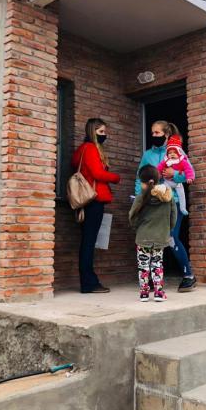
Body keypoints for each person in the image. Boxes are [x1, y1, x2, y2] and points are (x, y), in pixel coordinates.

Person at [134, 121, 197, 292]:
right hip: (154, 203)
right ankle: (154, 278)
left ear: (166, 134)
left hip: (174, 201)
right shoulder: (147, 155)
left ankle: (188, 275)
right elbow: (141, 177)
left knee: (171, 237)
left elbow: (190, 174)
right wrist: (139, 199)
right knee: (156, 239)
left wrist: (174, 174)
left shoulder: (177, 152)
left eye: (157, 133)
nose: (154, 136)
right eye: (152, 133)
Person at [71, 118, 120, 294]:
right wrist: (115, 177)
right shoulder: (90, 148)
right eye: (101, 132)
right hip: (93, 200)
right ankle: (89, 283)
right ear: (93, 132)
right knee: (89, 243)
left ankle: (88, 281)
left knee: (87, 241)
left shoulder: (80, 150)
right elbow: (97, 173)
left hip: (85, 201)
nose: (104, 135)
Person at [129, 165, 177, 301]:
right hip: (160, 236)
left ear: (143, 182)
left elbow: (132, 216)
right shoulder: (168, 196)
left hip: (143, 237)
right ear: (157, 179)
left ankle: (144, 293)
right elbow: (173, 217)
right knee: (157, 264)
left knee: (143, 266)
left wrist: (137, 229)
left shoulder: (141, 197)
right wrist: (167, 230)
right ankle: (158, 293)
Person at [157, 135, 195, 215]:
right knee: (164, 190)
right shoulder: (166, 161)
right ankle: (164, 205)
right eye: (170, 153)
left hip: (178, 183)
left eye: (175, 152)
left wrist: (189, 177)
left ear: (179, 153)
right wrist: (158, 174)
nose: (172, 154)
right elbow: (159, 167)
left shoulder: (182, 161)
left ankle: (183, 208)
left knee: (182, 195)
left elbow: (189, 169)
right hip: (167, 182)